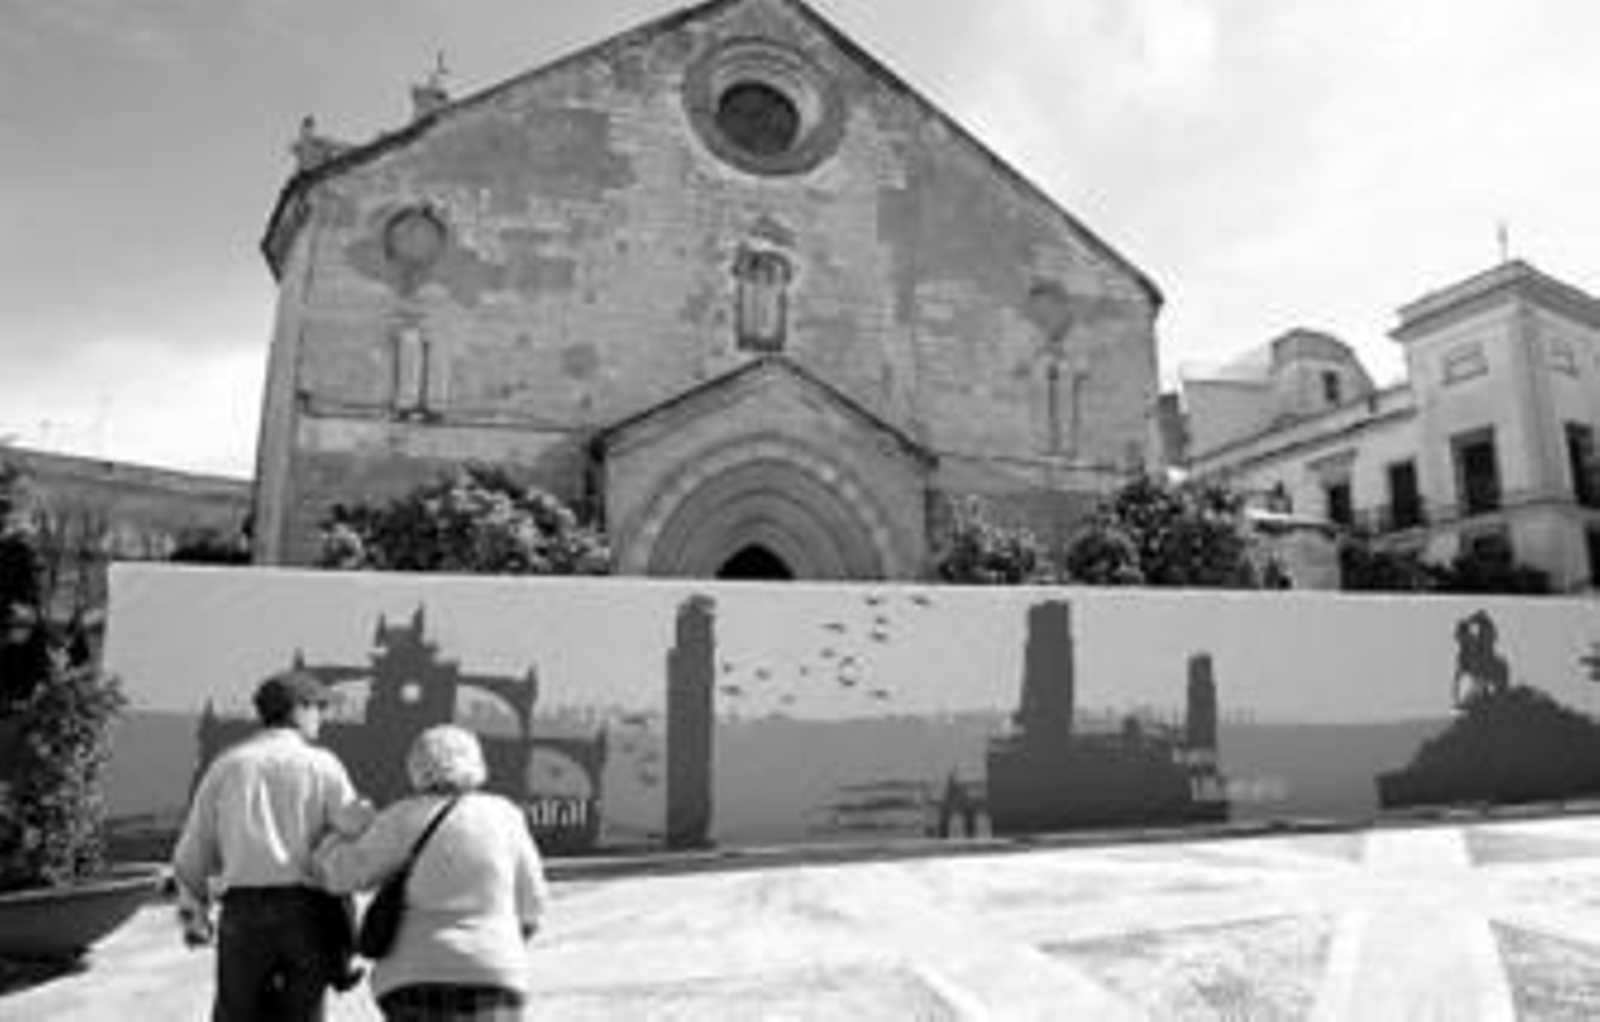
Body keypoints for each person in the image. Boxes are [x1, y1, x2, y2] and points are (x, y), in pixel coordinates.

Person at [172, 668, 373, 1022]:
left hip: (242, 912)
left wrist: (193, 914)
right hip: (306, 913)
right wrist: (365, 814)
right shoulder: (322, 764)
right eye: (318, 707)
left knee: (237, 1014)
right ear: (298, 709)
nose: (322, 716)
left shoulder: (228, 765)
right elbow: (355, 828)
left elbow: (195, 846)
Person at [316, 724, 549, 1021]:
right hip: (494, 973)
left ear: (416, 766)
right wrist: (498, 943)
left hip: (413, 975)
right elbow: (533, 905)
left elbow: (340, 876)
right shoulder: (506, 816)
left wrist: (334, 837)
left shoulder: (400, 817)